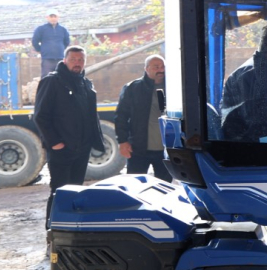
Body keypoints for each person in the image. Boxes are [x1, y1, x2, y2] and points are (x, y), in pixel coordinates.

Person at [33, 45, 105, 217]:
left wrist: (93, 142)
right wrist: (55, 143)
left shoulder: (85, 83)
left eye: (81, 60)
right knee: (60, 191)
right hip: (61, 149)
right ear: (65, 61)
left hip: (82, 149)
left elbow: (90, 116)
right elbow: (40, 116)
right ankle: (53, 230)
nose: (77, 63)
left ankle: (72, 228)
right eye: (73, 60)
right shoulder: (52, 81)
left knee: (77, 190)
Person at [115, 54, 172, 182]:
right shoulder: (133, 88)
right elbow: (121, 116)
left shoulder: (173, 88)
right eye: (156, 67)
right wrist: (122, 141)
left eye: (163, 66)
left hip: (165, 150)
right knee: (135, 184)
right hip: (139, 148)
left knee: (165, 187)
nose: (161, 70)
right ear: (146, 68)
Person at [32, 10, 71, 77]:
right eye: (51, 16)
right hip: (47, 59)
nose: (53, 18)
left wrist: (60, 49)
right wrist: (40, 50)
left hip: (60, 59)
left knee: (62, 78)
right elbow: (34, 41)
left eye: (55, 16)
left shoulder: (63, 30)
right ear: (47, 17)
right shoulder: (41, 29)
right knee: (46, 78)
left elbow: (67, 41)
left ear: (58, 17)